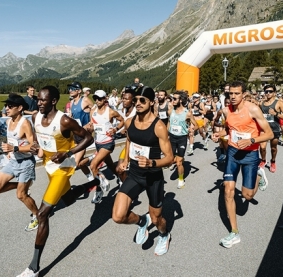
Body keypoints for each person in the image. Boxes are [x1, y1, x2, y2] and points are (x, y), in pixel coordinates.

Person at [8, 86, 94, 277]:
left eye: (43, 100)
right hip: (48, 166)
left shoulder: (64, 120)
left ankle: (33, 267)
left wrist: (68, 153)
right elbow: (38, 141)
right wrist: (37, 148)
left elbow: (88, 138)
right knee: (69, 198)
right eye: (38, 99)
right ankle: (93, 184)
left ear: (54, 101)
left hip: (63, 169)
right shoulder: (37, 117)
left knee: (43, 214)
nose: (39, 103)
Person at [112, 86, 174, 256]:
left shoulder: (158, 126)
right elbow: (129, 140)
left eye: (142, 100)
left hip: (153, 178)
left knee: (157, 219)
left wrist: (151, 163)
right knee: (118, 216)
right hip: (134, 175)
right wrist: (125, 160)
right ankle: (141, 221)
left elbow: (170, 158)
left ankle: (164, 235)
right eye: (136, 99)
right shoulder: (129, 122)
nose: (137, 103)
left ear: (151, 102)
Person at [212, 81, 273, 248]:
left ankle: (259, 175)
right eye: (230, 93)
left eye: (236, 93)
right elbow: (229, 130)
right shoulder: (226, 110)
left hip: (250, 155)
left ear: (243, 94)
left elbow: (269, 133)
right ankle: (234, 232)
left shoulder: (253, 109)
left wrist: (251, 140)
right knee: (228, 190)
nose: (232, 97)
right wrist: (219, 135)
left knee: (247, 196)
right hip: (232, 153)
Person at [0, 94, 40, 232]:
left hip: (26, 163)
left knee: (21, 196)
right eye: (6, 105)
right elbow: (9, 138)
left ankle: (37, 215)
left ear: (20, 108)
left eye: (10, 106)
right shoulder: (9, 121)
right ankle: (22, 185)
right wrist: (7, 148)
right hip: (13, 161)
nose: (7, 108)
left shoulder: (25, 124)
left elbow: (34, 146)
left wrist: (15, 148)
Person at [83, 90, 124, 204]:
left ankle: (99, 189)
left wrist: (115, 129)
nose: (97, 101)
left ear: (105, 99)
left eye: (99, 98)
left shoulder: (110, 112)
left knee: (93, 165)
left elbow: (122, 120)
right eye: (95, 98)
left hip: (108, 143)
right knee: (110, 165)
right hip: (98, 143)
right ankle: (121, 178)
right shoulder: (93, 111)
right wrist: (89, 128)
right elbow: (92, 126)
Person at [168, 91, 198, 188]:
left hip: (181, 138)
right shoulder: (170, 110)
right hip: (171, 137)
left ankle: (181, 180)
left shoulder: (187, 113)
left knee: (179, 162)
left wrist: (192, 130)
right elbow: (169, 122)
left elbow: (196, 125)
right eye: (172, 98)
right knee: (171, 160)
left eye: (175, 99)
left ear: (180, 100)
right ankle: (179, 158)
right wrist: (166, 133)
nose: (173, 100)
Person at [67, 82, 95, 186]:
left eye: (72, 88)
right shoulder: (72, 102)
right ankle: (92, 180)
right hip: (75, 135)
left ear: (78, 91)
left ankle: (93, 158)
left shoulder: (85, 100)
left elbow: (95, 109)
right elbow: (71, 116)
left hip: (84, 136)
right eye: (69, 89)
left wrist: (91, 122)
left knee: (74, 163)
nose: (70, 90)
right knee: (79, 162)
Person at [258, 85, 283, 173]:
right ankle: (263, 160)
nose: (268, 93)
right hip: (264, 129)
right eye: (266, 91)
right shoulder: (261, 103)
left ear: (274, 93)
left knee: (273, 148)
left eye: (270, 91)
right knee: (262, 147)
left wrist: (275, 114)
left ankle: (273, 161)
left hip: (275, 128)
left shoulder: (279, 103)